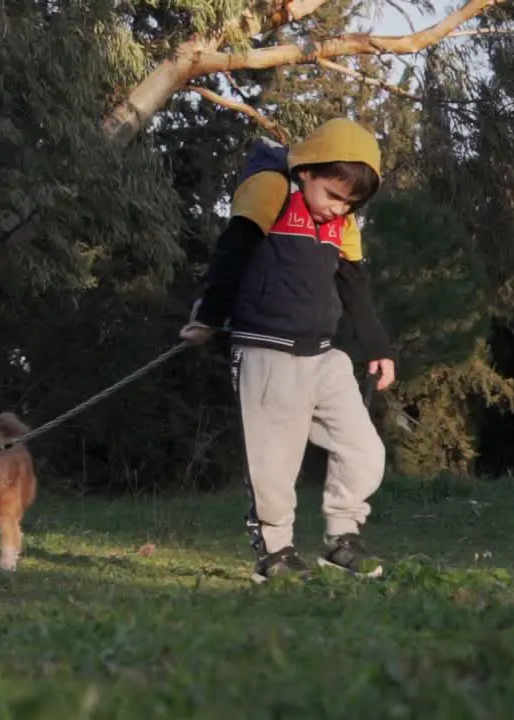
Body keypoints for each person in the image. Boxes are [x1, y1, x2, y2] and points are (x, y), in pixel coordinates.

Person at [178, 118, 396, 583]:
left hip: (322, 356)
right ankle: (275, 554)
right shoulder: (270, 189)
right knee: (272, 466)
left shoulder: (342, 222)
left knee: (364, 451)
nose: (338, 209)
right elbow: (232, 251)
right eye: (333, 195)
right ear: (307, 171)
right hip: (265, 353)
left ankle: (342, 539)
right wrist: (208, 318)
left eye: (349, 202)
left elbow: (353, 282)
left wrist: (378, 347)